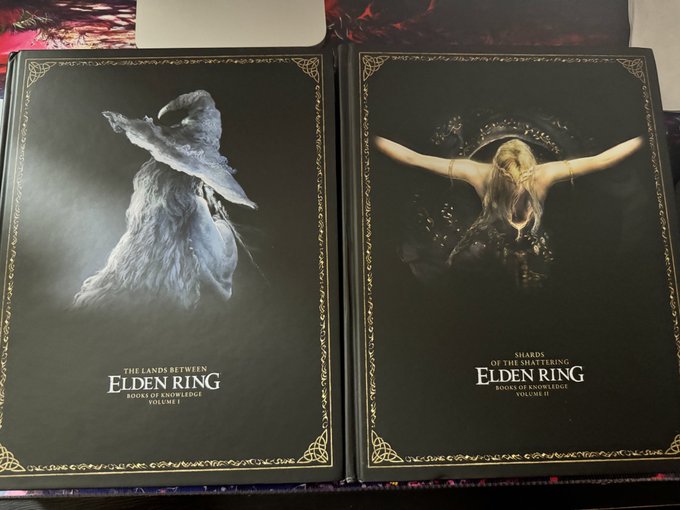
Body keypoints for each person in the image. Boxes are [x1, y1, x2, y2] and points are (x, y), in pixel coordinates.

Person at [374, 135, 644, 288]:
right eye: (508, 184)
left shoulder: (544, 174)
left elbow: (603, 160)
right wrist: (366, 132)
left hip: (533, 238)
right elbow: (414, 159)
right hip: (490, 235)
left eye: (520, 182)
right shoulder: (477, 173)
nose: (515, 190)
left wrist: (647, 134)